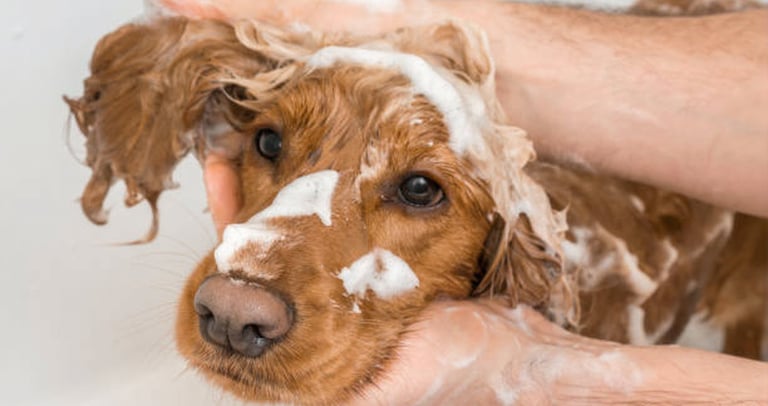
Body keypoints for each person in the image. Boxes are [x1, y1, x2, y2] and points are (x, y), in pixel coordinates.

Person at [166, 0, 768, 403]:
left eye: (418, 190)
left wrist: (521, 367)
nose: (233, 304)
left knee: (749, 309)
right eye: (271, 143)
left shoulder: (562, 271)